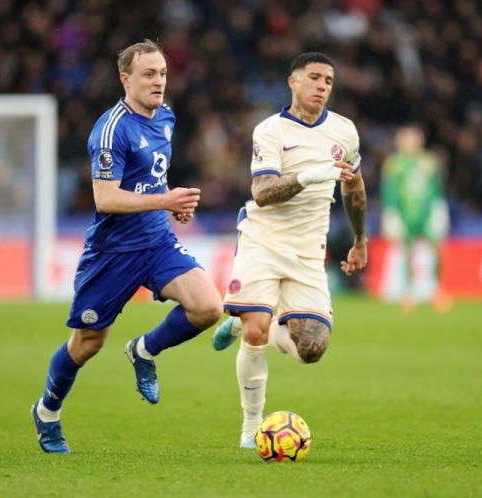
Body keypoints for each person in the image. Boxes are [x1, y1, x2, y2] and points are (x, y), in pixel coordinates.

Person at [31, 40, 223, 454]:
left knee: (209, 307)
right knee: (88, 342)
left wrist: (174, 205)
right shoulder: (111, 130)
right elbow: (105, 198)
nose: (159, 82)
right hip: (113, 253)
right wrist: (165, 200)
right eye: (149, 74)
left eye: (163, 74)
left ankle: (143, 349)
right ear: (126, 79)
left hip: (156, 242)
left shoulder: (166, 116)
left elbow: (151, 179)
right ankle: (47, 411)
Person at [210, 52, 368, 448]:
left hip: (309, 251)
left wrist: (360, 240)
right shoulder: (270, 130)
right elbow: (262, 192)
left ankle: (247, 320)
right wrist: (311, 175)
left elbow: (353, 185)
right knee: (257, 330)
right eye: (314, 77)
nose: (322, 86)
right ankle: (251, 427)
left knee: (312, 349)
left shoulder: (344, 131)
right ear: (293, 82)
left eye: (328, 81)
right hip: (262, 240)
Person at [380, 124, 452, 313]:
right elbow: (389, 190)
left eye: (412, 139)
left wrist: (439, 208)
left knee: (438, 248)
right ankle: (409, 291)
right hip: (405, 214)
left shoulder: (429, 161)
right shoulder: (394, 163)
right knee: (407, 251)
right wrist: (390, 213)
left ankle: (437, 289)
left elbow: (436, 187)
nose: (408, 143)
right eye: (405, 139)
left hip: (427, 212)